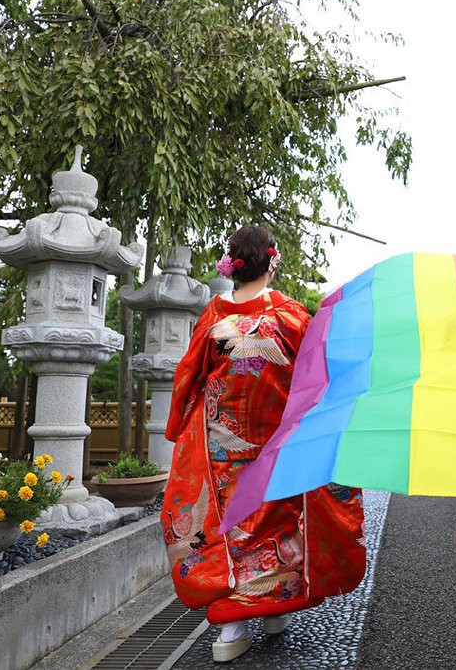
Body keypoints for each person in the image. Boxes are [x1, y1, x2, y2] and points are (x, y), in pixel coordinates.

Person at [162, 225, 366, 663]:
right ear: (272, 262)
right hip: (279, 446)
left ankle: (232, 630)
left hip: (223, 449)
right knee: (277, 525)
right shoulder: (290, 316)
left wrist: (181, 423)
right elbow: (319, 374)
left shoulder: (214, 316)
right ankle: (272, 609)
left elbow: (188, 378)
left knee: (230, 529)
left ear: (232, 265)